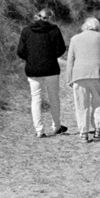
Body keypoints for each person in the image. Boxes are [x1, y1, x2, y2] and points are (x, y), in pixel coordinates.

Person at [16, 8, 68, 138]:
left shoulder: (26, 30)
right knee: (54, 97)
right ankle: (56, 126)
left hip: (33, 68)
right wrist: (50, 56)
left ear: (38, 16)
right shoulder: (54, 29)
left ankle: (39, 130)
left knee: (36, 99)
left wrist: (32, 58)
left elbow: (20, 51)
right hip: (51, 68)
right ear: (50, 18)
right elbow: (61, 49)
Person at [67, 17, 100, 143]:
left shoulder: (75, 38)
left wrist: (69, 79)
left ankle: (84, 133)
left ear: (84, 26)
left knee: (81, 105)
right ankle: (98, 131)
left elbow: (70, 61)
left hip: (79, 75)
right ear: (97, 27)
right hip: (97, 74)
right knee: (97, 102)